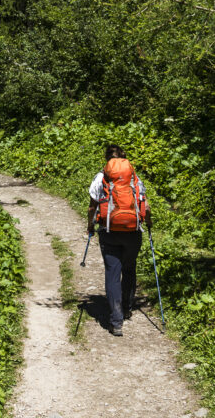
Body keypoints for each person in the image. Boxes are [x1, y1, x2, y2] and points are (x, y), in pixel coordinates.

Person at [87, 143, 151, 336]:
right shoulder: (134, 178)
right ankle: (127, 307)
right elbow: (145, 206)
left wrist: (90, 225)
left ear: (107, 160)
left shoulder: (101, 178)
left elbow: (92, 206)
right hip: (133, 232)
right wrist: (149, 223)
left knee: (112, 273)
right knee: (129, 268)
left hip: (109, 232)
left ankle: (116, 321)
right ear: (124, 159)